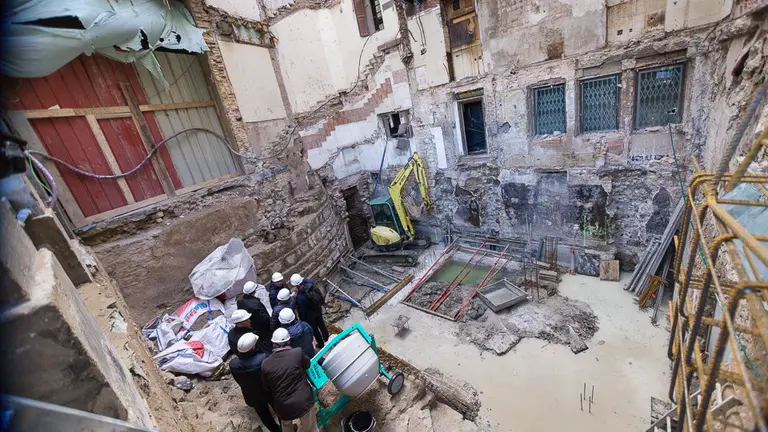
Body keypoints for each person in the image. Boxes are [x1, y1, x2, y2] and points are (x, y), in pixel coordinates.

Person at [261, 328, 319, 432]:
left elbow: (266, 387)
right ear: (288, 341)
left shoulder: (265, 364)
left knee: (287, 427)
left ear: (273, 344)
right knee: (311, 428)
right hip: (303, 401)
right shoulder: (297, 353)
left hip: (283, 407)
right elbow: (307, 364)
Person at [229, 333, 280, 432]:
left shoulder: (233, 364)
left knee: (264, 416)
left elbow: (238, 380)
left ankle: (275, 430)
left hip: (252, 395)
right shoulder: (264, 358)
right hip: (268, 391)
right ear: (253, 347)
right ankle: (285, 428)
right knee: (279, 411)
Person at [291, 273, 329, 348]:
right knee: (322, 325)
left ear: (297, 285)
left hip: (310, 316)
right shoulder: (310, 283)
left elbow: (302, 311)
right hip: (317, 309)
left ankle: (321, 344)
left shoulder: (299, 297)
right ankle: (327, 339)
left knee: (315, 330)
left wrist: (303, 321)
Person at [238, 282, 272, 350]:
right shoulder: (256, 304)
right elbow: (264, 319)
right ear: (254, 291)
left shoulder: (240, 301)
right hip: (262, 329)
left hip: (252, 327)